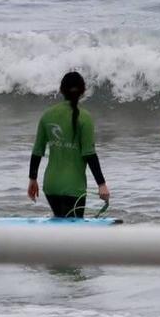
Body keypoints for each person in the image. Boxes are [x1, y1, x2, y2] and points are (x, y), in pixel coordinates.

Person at [27, 70, 109, 217]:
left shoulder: (48, 115)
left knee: (61, 228)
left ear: (61, 90)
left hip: (51, 186)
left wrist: (32, 179)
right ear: (83, 91)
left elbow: (37, 151)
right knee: (73, 235)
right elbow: (89, 154)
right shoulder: (85, 118)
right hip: (74, 187)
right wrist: (101, 185)